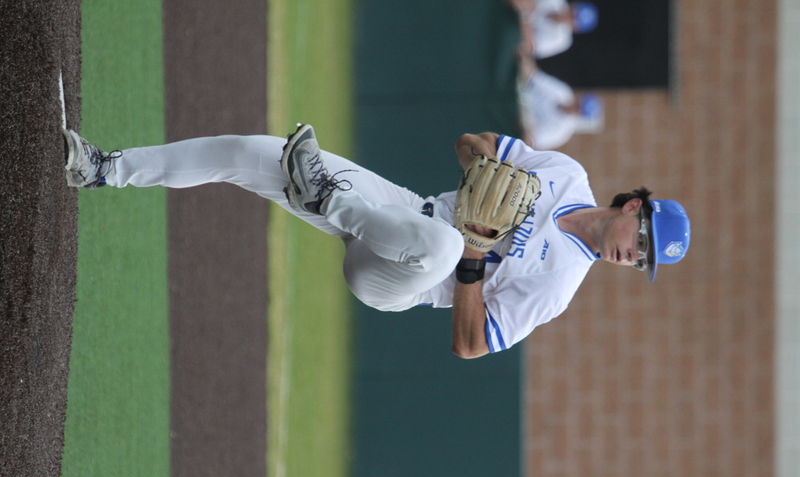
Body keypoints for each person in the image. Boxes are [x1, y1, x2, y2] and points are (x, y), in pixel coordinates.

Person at [61, 124, 690, 358]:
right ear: (634, 207)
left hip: (400, 279)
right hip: (397, 211)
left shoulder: (557, 289)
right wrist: (479, 169)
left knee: (446, 247)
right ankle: (103, 168)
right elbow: (472, 142)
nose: (634, 256)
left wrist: (474, 253)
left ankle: (328, 197)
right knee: (253, 153)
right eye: (644, 240)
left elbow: (470, 345)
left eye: (643, 262)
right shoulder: (566, 174)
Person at [515, 46, 604, 150]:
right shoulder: (563, 92)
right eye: (579, 104)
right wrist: (523, 58)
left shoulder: (562, 131)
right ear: (579, 98)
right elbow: (533, 76)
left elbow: (530, 141)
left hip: (514, 120)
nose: (575, 107)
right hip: (513, 94)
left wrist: (522, 123)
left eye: (579, 110)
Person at [510, 0, 598, 59]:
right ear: (573, 5)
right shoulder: (557, 1)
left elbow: (528, 48)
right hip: (510, 9)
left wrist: (524, 16)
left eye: (575, 19)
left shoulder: (563, 40)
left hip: (512, 36)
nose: (570, 17)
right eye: (574, 12)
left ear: (576, 29)